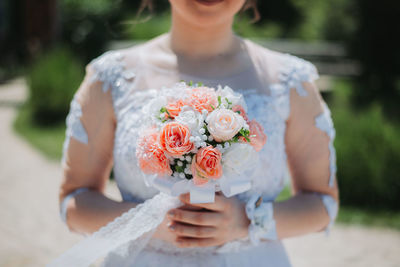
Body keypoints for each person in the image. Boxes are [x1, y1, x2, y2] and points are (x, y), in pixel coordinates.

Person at [58, 0, 339, 266]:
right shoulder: (110, 78)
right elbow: (74, 203)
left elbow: (322, 204)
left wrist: (249, 221)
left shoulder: (291, 82)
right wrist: (149, 222)